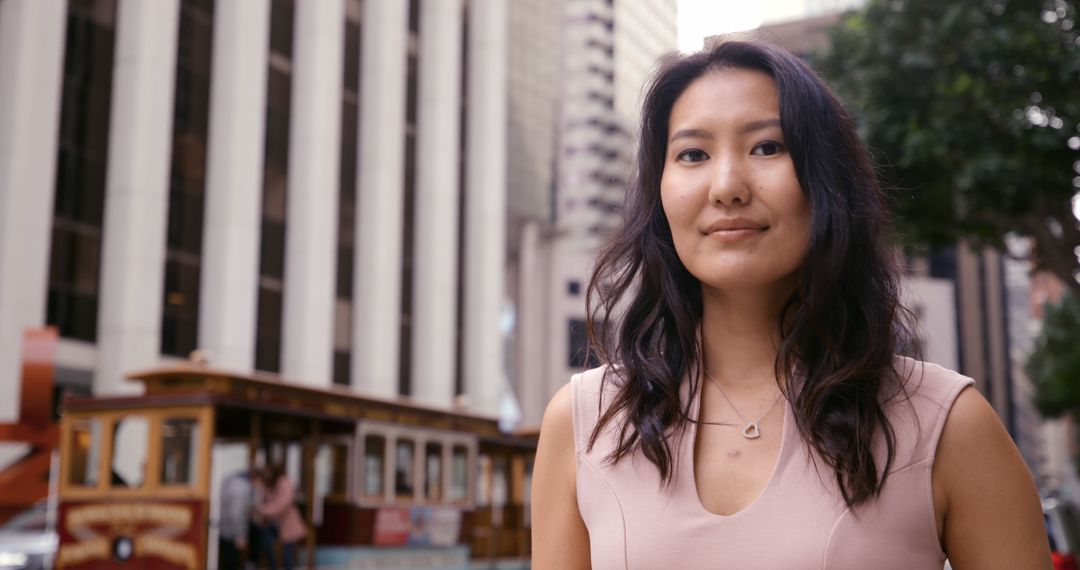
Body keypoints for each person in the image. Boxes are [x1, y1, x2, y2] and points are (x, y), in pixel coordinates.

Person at [531, 40, 1051, 569]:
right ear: (659, 193)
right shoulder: (584, 422)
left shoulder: (946, 422)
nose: (727, 186)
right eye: (692, 154)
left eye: (766, 147)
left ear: (826, 182)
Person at [254, 463, 306, 570]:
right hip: (274, 524)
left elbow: (281, 505)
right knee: (267, 544)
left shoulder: (284, 484)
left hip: (288, 525)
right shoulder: (268, 485)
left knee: (287, 556)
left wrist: (262, 509)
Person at [218, 468, 253, 570]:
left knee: (225, 562)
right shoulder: (242, 488)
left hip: (224, 530)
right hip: (232, 533)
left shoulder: (231, 482)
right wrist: (240, 535)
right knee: (232, 563)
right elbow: (236, 514)